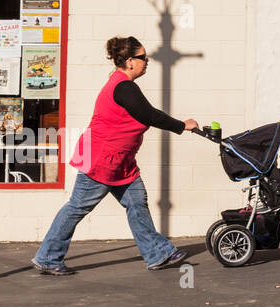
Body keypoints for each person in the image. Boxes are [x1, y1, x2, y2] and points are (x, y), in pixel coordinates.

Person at [31, 36, 198, 276]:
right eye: (143, 58)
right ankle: (47, 257)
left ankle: (157, 253)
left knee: (136, 202)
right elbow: (148, 115)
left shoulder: (121, 83)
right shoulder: (123, 86)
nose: (147, 61)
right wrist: (182, 125)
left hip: (120, 162)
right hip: (102, 159)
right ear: (130, 61)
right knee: (77, 207)